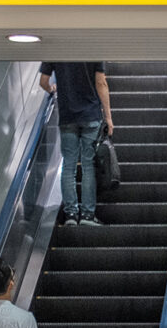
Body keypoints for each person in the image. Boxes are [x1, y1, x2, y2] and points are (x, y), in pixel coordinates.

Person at [38, 60, 114, 226]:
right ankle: (87, 215)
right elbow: (101, 82)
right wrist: (108, 117)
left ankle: (71, 214)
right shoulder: (93, 48)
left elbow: (43, 81)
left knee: (68, 166)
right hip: (91, 116)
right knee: (88, 166)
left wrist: (52, 89)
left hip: (67, 117)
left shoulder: (55, 50)